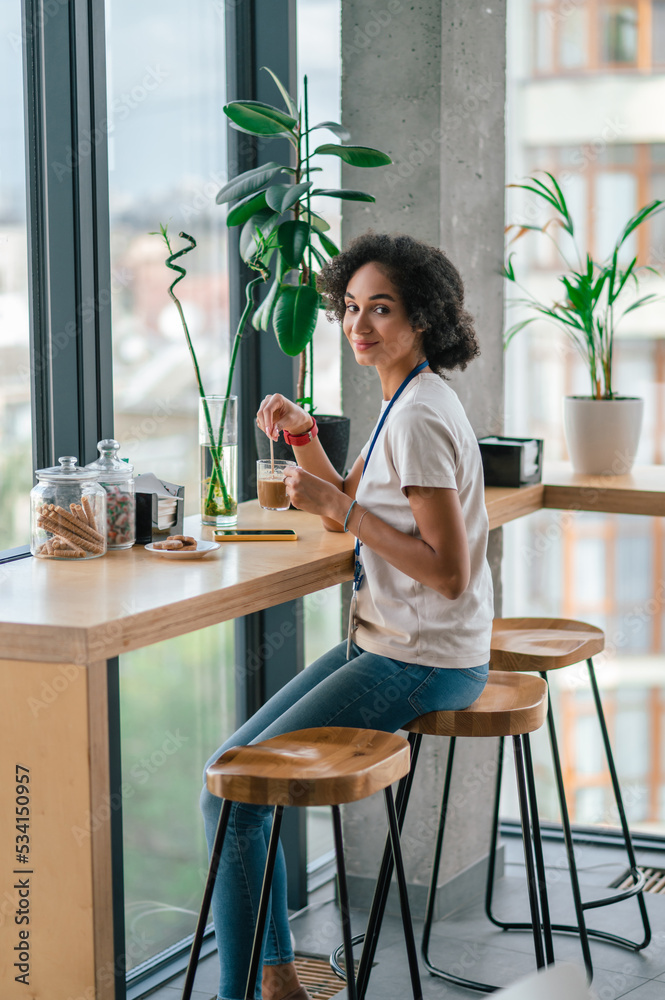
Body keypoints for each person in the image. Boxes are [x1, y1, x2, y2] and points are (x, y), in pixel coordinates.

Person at [199, 231, 494, 1000]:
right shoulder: (404, 396)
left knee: (230, 799)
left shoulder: (421, 416)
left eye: (381, 309)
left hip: (424, 657)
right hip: (393, 643)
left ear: (423, 318)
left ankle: (253, 986)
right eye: (351, 308)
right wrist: (304, 442)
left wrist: (335, 502)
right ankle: (274, 977)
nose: (359, 326)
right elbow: (346, 514)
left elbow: (450, 574)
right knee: (228, 788)